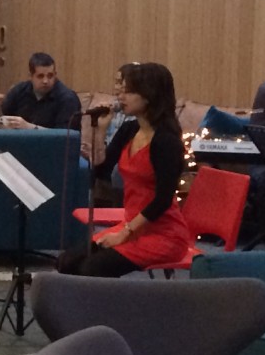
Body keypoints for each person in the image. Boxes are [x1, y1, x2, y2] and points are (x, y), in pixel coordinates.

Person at [59, 62, 193, 277]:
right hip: (131, 226)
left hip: (163, 234)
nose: (120, 97)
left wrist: (124, 234)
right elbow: (101, 170)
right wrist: (100, 131)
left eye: (129, 92)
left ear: (149, 96)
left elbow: (162, 200)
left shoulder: (166, 141)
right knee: (67, 262)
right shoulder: (130, 129)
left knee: (91, 268)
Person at [0, 52, 81, 130]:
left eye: (50, 76)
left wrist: (30, 127)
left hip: (52, 141)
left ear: (55, 75)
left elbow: (65, 136)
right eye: (40, 76)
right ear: (30, 76)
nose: (45, 81)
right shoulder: (19, 91)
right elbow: (1, 119)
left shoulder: (67, 98)